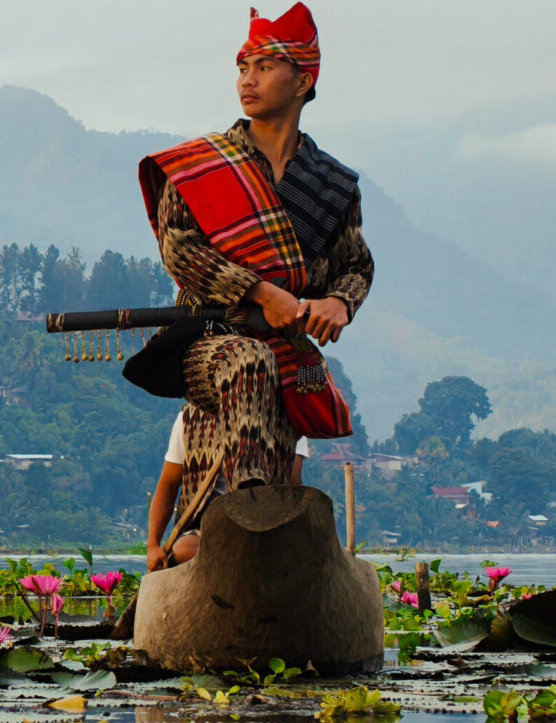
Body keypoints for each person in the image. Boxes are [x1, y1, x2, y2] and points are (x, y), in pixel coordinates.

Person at [137, 2, 372, 532]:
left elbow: (355, 264)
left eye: (263, 67)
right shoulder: (198, 168)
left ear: (303, 80)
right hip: (207, 346)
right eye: (243, 67)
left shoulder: (333, 185)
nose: (247, 79)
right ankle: (244, 511)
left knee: (266, 371)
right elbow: (180, 250)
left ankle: (244, 526)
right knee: (247, 360)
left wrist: (338, 302)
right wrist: (262, 292)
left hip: (286, 355)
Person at [146, 408, 309, 571]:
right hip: (207, 528)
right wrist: (153, 545)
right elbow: (168, 484)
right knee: (184, 549)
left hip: (268, 524)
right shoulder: (190, 419)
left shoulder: (285, 415)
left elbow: (293, 483)